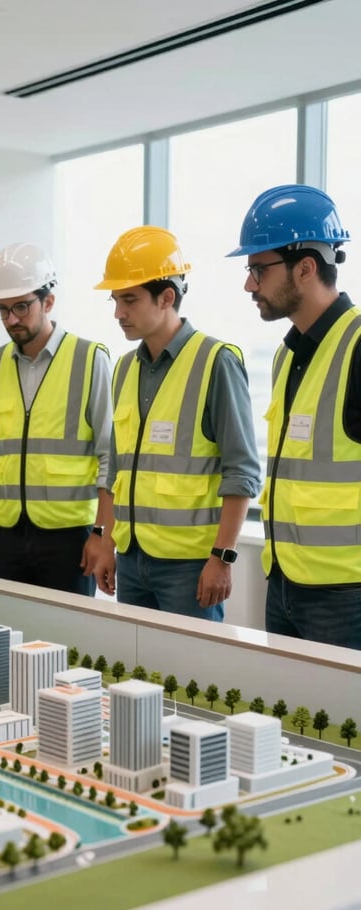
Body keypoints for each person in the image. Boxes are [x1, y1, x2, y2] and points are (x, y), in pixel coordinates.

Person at [93, 226, 260, 621]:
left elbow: (242, 471)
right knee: (137, 679)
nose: (119, 312)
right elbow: (118, 469)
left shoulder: (215, 361)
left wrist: (222, 557)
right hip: (132, 561)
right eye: (115, 300)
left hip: (190, 567)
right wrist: (105, 541)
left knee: (195, 677)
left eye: (129, 299)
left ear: (167, 297)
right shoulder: (123, 369)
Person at [227, 184, 361, 648]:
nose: (249, 284)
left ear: (305, 268)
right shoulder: (288, 355)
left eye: (259, 269)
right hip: (283, 581)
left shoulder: (358, 347)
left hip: (346, 596)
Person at [0, 243, 113, 596]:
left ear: (48, 301)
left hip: (71, 537)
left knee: (69, 644)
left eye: (22, 307)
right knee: (10, 643)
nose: (12, 319)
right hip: (7, 534)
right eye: (3, 310)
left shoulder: (89, 360)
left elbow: (110, 457)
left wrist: (102, 534)